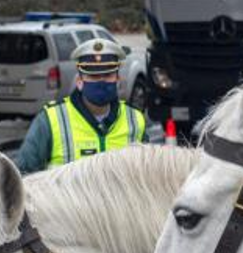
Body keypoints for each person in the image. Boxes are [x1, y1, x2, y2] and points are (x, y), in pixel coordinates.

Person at [15, 38, 147, 173]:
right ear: (79, 81)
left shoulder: (135, 120)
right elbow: (23, 175)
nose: (101, 81)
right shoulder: (49, 120)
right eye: (93, 76)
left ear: (118, 80)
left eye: (107, 75)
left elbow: (147, 174)